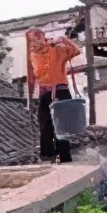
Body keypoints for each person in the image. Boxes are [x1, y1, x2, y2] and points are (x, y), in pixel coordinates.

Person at [26, 28, 80, 163]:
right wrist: (30, 99)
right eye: (30, 41)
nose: (33, 43)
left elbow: (76, 50)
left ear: (43, 38)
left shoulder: (57, 49)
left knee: (61, 128)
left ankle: (65, 159)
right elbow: (32, 79)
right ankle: (48, 158)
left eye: (36, 39)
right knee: (44, 126)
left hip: (60, 91)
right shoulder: (32, 55)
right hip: (44, 93)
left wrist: (64, 39)